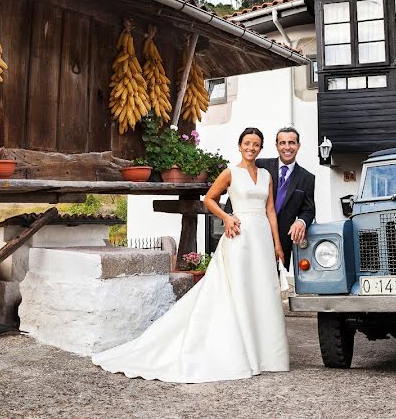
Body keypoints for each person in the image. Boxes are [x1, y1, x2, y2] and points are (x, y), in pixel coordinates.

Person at [92, 127, 289, 383]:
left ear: (261, 149)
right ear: (240, 146)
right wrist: (227, 217)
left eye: (256, 144)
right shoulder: (230, 173)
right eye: (247, 143)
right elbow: (209, 199)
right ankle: (242, 351)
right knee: (239, 289)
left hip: (261, 236)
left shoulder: (266, 176)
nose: (251, 147)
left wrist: (277, 244)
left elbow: (271, 209)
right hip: (239, 237)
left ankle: (266, 354)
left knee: (261, 290)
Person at [255, 127, 316, 268]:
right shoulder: (261, 165)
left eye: (291, 143)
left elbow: (309, 210)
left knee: (273, 281)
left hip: (283, 238)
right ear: (277, 146)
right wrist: (230, 215)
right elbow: (243, 188)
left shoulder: (307, 178)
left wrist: (301, 221)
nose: (287, 147)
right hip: (256, 230)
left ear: (298, 146)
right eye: (282, 143)